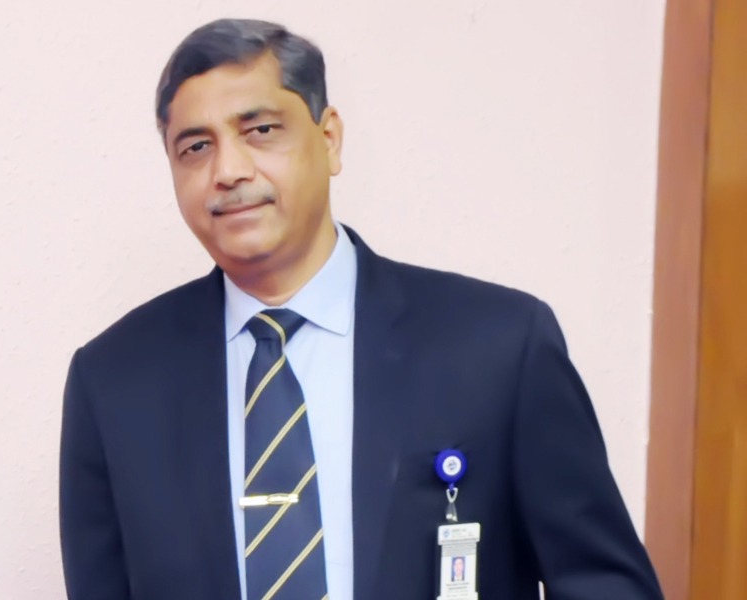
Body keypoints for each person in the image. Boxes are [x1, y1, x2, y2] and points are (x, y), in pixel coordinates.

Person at [59, 18, 665, 600]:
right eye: (195, 147)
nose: (229, 171)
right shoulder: (113, 384)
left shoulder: (499, 348)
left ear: (329, 139)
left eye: (260, 130)